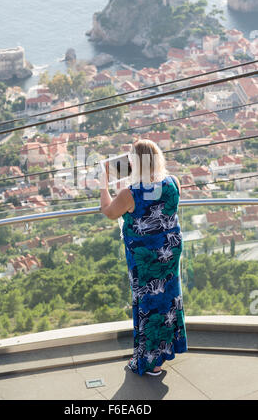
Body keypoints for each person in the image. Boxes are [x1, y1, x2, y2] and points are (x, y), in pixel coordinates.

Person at [100, 139, 187, 376]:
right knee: (168, 299)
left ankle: (152, 362)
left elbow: (109, 211)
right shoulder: (172, 182)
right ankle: (166, 350)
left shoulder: (130, 193)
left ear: (135, 163)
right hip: (169, 252)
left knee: (148, 304)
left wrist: (104, 182)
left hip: (145, 258)